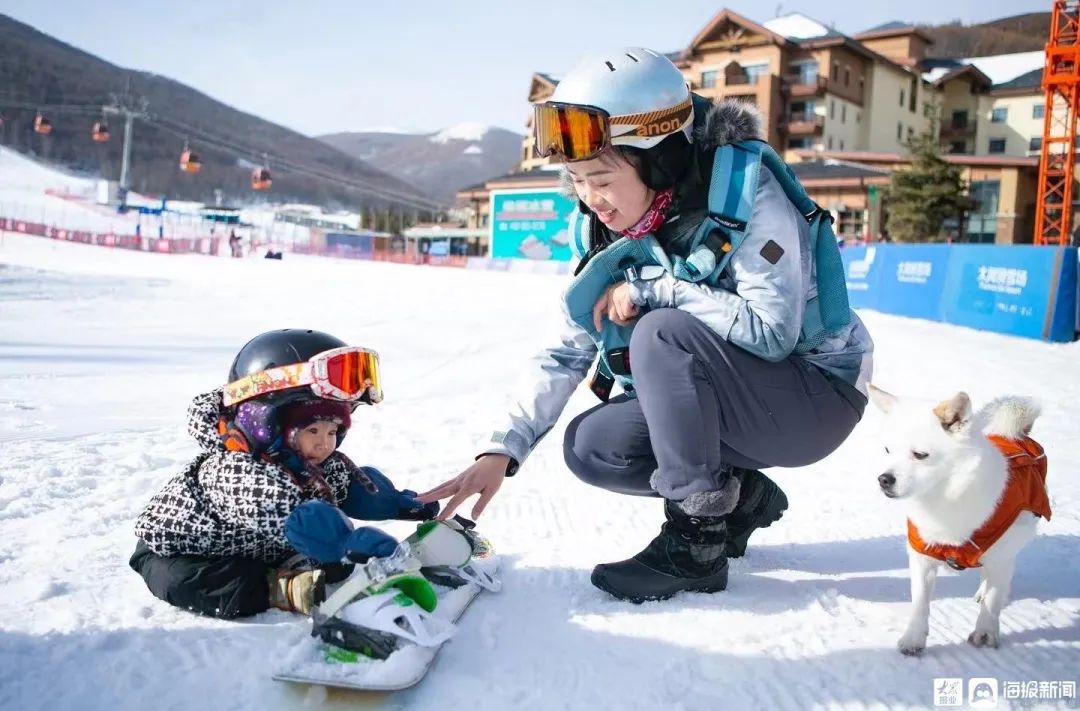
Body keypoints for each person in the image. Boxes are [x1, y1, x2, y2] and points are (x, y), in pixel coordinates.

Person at [419, 48, 874, 603]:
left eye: (603, 179)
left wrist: (658, 288)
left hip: (814, 396)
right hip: (746, 400)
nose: (591, 200)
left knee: (664, 331)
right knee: (594, 446)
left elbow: (771, 333)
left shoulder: (751, 196)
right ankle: (740, 498)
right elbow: (567, 349)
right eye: (578, 181)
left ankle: (696, 546)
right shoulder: (607, 228)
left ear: (659, 160)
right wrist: (501, 450)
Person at [130, 329, 438, 619]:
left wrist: (401, 503)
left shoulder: (311, 462)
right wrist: (347, 539)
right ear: (265, 424)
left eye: (334, 431)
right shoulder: (234, 472)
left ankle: (291, 564)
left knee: (336, 566)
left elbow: (354, 488)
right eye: (313, 429)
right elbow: (287, 512)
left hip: (260, 543)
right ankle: (282, 589)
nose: (324, 442)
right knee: (210, 585)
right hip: (188, 555)